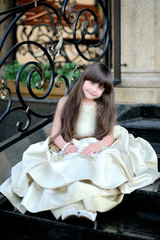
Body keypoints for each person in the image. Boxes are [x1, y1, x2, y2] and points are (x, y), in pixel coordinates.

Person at [0, 63, 160, 222]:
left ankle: (89, 208)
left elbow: (109, 137)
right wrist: (66, 146)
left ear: (105, 91)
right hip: (70, 143)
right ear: (83, 79)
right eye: (91, 83)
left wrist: (98, 146)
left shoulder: (103, 107)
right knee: (70, 165)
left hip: (94, 144)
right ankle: (68, 209)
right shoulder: (65, 102)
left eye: (100, 88)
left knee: (99, 164)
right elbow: (55, 132)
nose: (94, 89)